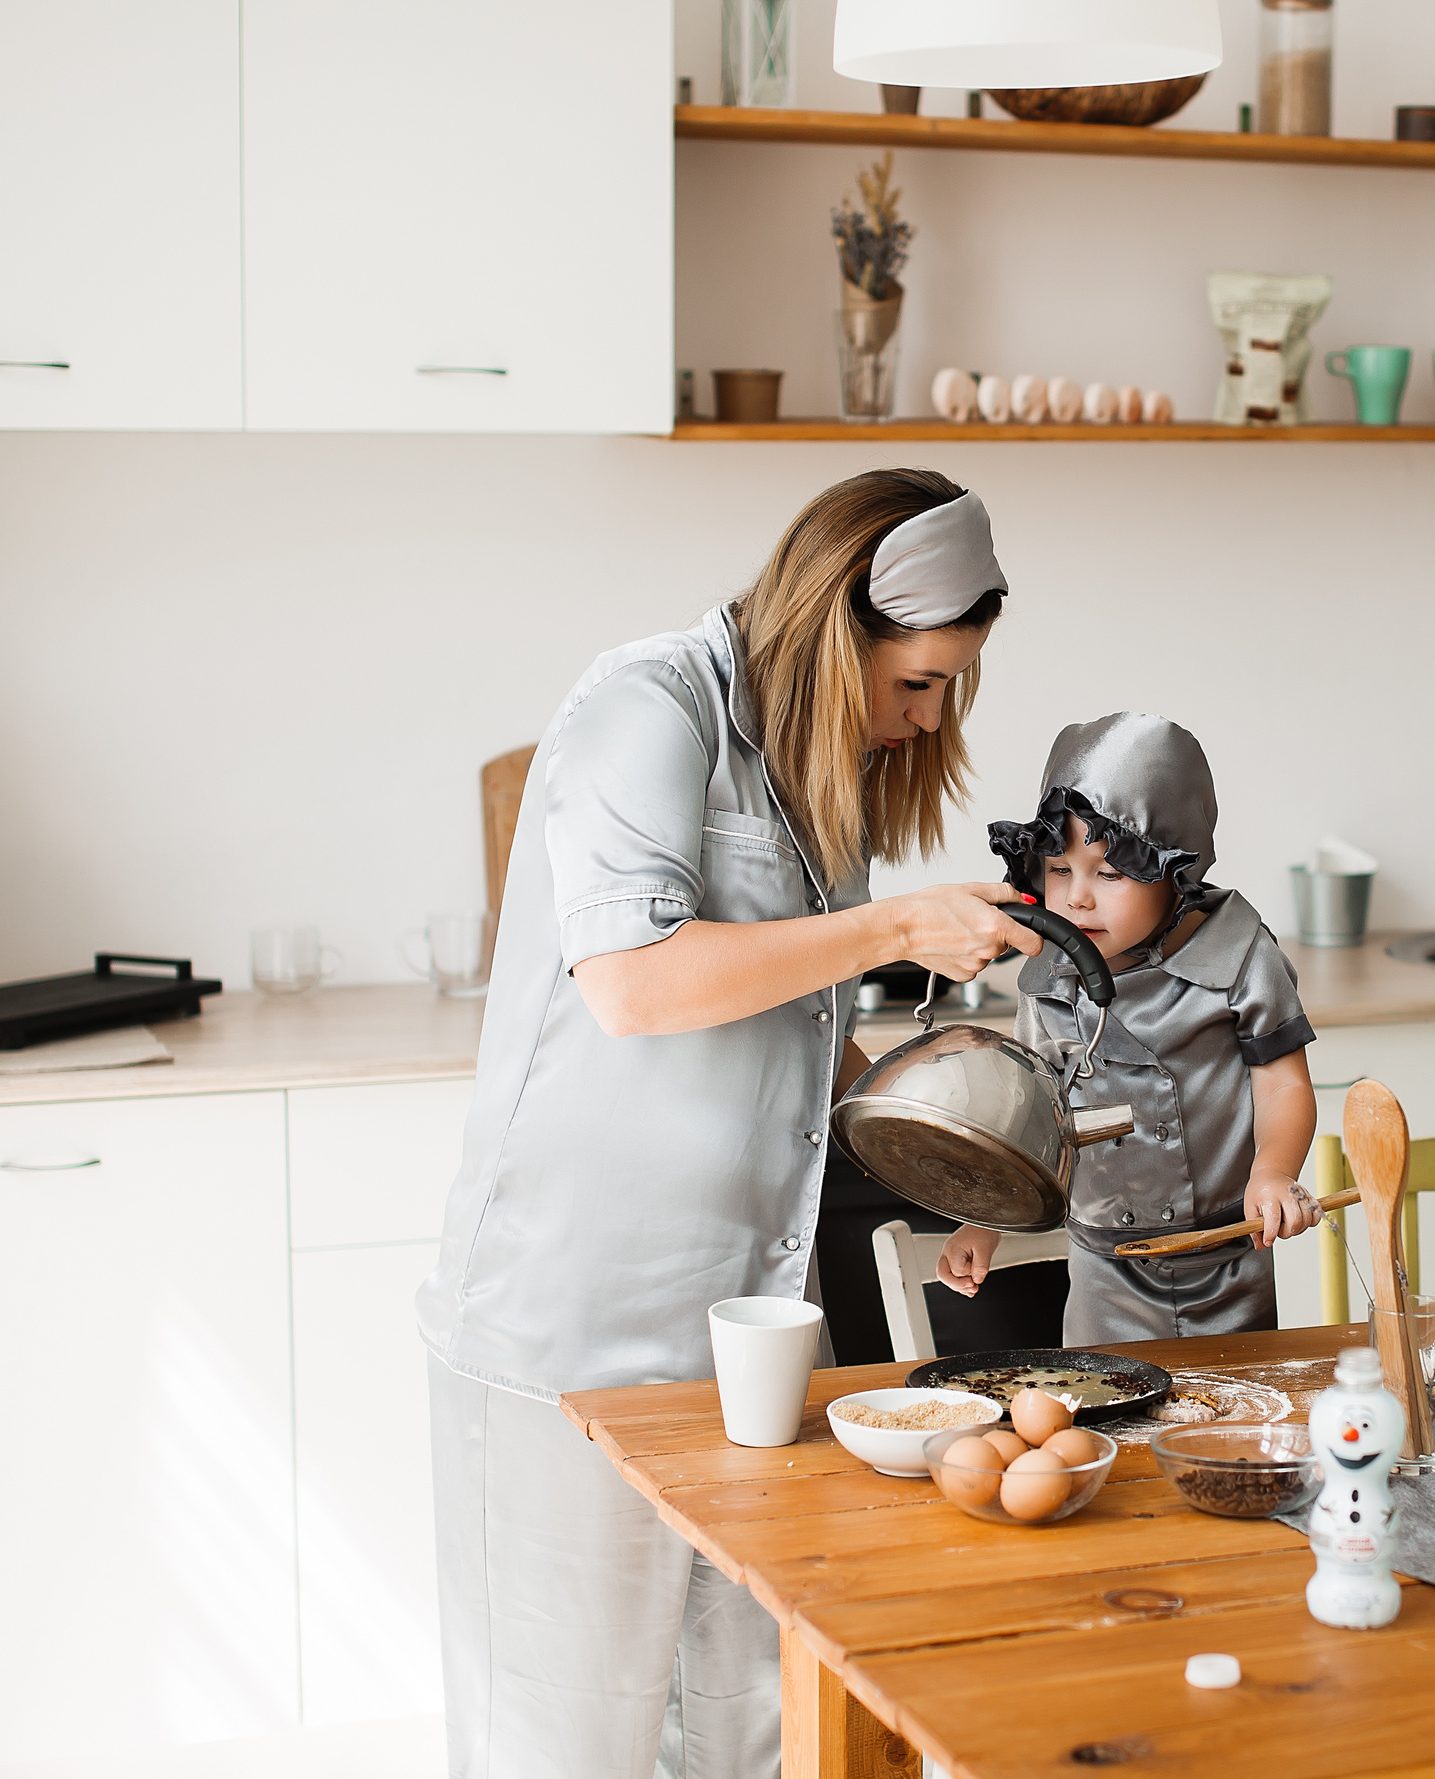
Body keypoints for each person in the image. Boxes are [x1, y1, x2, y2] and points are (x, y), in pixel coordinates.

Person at [415, 470, 1041, 1779]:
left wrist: (947, 1159)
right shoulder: (648, 706)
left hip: (747, 1335)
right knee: (570, 1734)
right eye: (917, 681)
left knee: (751, 1724)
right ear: (838, 622)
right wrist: (894, 923)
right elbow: (636, 984)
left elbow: (803, 1040)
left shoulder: (819, 776)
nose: (923, 720)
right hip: (573, 1331)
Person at [933, 713, 1320, 1342]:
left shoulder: (1240, 953)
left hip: (1227, 1256)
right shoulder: (1046, 967)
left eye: (1110, 874)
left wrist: (1272, 1173)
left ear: (1173, 874)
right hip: (1102, 1267)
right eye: (1060, 871)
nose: (1079, 898)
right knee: (1106, 1421)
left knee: (1232, 1418)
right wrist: (989, 1219)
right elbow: (1031, 1113)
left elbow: (1282, 1087)